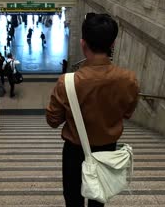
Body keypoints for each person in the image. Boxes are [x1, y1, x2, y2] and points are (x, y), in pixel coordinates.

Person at [46, 13, 139, 207]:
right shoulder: (129, 79)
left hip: (74, 151)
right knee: (99, 198)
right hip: (108, 150)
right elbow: (127, 113)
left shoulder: (68, 82)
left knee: (73, 199)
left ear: (83, 43)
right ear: (112, 44)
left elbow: (52, 120)